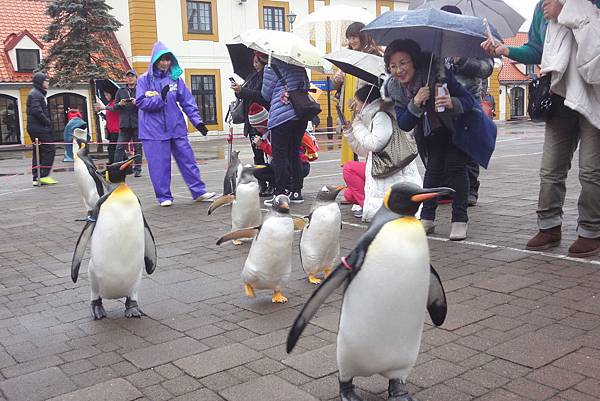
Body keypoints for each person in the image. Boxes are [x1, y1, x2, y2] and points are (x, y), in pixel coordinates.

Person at [482, 0, 600, 257]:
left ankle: (591, 231)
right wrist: (505, 50)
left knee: (591, 170)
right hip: (557, 94)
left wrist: (566, 13)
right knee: (550, 168)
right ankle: (549, 226)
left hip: (594, 93)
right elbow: (537, 50)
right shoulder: (541, 7)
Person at [385, 39, 481, 240]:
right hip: (431, 132)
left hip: (456, 127)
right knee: (433, 170)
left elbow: (469, 100)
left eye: (403, 63)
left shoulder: (439, 76)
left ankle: (459, 220)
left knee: (456, 168)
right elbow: (404, 123)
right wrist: (416, 102)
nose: (398, 70)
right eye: (393, 65)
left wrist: (451, 102)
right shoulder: (395, 88)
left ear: (414, 61)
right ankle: (427, 218)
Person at [136, 41, 215, 207]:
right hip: (153, 131)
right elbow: (141, 103)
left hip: (176, 127)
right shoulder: (144, 81)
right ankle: (164, 196)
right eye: (162, 60)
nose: (165, 63)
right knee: (159, 166)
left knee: (188, 161)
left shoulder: (175, 80)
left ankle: (198, 192)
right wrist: (160, 98)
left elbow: (187, 101)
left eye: (168, 59)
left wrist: (198, 122)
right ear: (155, 61)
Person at [343, 84, 423, 222]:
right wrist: (351, 131)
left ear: (366, 102)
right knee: (348, 193)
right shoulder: (372, 116)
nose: (355, 107)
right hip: (387, 167)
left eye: (357, 103)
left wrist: (358, 126)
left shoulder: (381, 115)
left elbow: (375, 144)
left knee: (349, 171)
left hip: (392, 168)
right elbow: (365, 151)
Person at [441, 5, 494, 207]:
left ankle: (471, 189)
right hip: (443, 101)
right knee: (444, 147)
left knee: (469, 147)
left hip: (468, 100)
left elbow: (486, 68)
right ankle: (447, 188)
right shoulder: (439, 41)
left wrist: (462, 60)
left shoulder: (473, 40)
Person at [261, 57, 311, 205]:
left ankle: (280, 193)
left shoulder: (270, 68)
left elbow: (265, 94)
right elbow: (306, 86)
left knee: (280, 156)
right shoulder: (299, 66)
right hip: (300, 115)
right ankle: (296, 192)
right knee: (294, 153)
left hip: (281, 118)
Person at [333, 22, 383, 166]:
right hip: (348, 108)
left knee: (364, 145)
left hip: (364, 107)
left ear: (363, 36)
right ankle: (354, 178)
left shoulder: (373, 56)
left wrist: (361, 100)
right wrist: (337, 80)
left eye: (354, 37)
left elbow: (376, 84)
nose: (351, 41)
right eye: (349, 38)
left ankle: (365, 177)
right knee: (351, 142)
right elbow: (336, 87)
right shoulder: (347, 57)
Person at [230, 51, 270, 195]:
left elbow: (261, 96)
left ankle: (272, 181)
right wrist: (238, 90)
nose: (254, 65)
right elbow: (245, 93)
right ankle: (262, 183)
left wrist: (243, 90)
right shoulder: (252, 75)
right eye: (253, 62)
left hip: (262, 118)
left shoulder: (267, 76)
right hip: (251, 119)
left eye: (257, 62)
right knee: (257, 153)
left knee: (269, 152)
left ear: (263, 62)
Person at [247, 102, 311, 190]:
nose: (257, 130)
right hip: (286, 162)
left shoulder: (276, 131)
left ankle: (290, 187)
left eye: (258, 127)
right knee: (258, 171)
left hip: (300, 163)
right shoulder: (266, 134)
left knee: (278, 165)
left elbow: (278, 152)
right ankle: (282, 186)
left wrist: (262, 145)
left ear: (264, 124)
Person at [99, 70, 143, 176]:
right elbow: (115, 107)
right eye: (128, 76)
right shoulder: (121, 91)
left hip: (137, 123)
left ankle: (137, 170)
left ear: (136, 78)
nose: (130, 78)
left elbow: (145, 104)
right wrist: (120, 104)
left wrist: (137, 102)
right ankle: (116, 169)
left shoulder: (141, 90)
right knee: (119, 148)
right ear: (126, 78)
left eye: (132, 76)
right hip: (124, 124)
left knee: (138, 147)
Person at [27, 72, 57, 186]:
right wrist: (48, 122)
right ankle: (43, 175)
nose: (48, 83)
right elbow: (36, 111)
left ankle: (37, 177)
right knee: (50, 149)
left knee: (38, 152)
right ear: (40, 82)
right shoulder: (36, 94)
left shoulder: (36, 93)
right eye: (46, 80)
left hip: (35, 127)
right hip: (38, 128)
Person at [95, 89, 119, 164]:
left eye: (107, 94)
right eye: (105, 95)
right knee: (117, 150)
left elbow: (115, 110)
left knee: (112, 149)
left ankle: (112, 165)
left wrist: (103, 108)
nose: (105, 97)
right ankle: (127, 168)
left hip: (117, 130)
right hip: (111, 130)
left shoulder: (115, 102)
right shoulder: (109, 103)